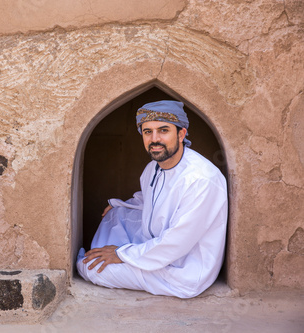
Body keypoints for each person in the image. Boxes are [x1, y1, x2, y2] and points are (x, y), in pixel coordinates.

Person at [76, 100, 228, 299]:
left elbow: (176, 243)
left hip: (181, 269)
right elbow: (149, 199)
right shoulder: (153, 168)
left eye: (163, 130)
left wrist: (121, 254)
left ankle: (103, 256)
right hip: (156, 242)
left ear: (181, 134)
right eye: (148, 132)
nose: (155, 139)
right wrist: (119, 205)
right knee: (116, 214)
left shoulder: (201, 180)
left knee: (90, 269)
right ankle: (109, 253)